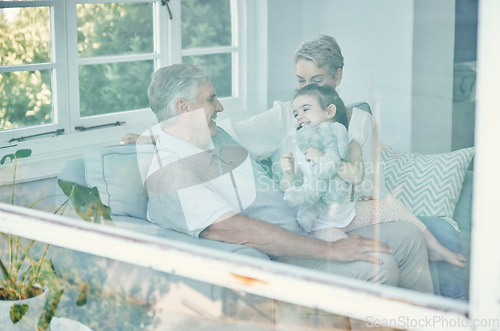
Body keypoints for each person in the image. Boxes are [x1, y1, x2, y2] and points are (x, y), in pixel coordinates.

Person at [143, 63, 434, 294]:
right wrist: (332, 250)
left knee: (408, 237)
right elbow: (233, 230)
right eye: (210, 99)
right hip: (285, 253)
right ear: (183, 108)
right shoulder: (170, 173)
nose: (220, 106)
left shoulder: (210, 135)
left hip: (311, 223)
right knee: (378, 265)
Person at [217, 35, 468, 300]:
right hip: (313, 218)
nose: (306, 88)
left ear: (338, 76)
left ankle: (423, 316)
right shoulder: (287, 114)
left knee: (418, 233)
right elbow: (229, 134)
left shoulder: (361, 121)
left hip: (350, 209)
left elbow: (370, 179)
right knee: (387, 254)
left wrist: (373, 200)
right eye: (301, 80)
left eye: (316, 81)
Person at [280, 83, 466, 268]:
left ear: (329, 112)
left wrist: (324, 160)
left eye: (305, 109)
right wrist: (288, 172)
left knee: (395, 207)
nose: (299, 117)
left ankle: (434, 247)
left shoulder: (350, 142)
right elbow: (290, 187)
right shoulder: (300, 150)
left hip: (349, 213)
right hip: (321, 224)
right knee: (349, 254)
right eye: (295, 113)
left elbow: (356, 176)